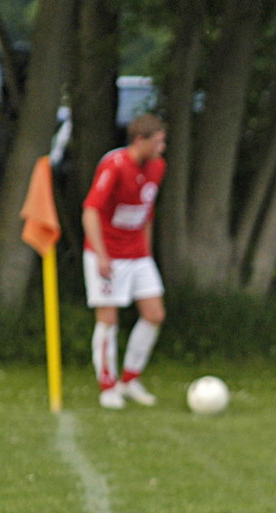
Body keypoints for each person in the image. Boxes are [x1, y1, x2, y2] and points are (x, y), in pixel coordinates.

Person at [82, 113, 167, 409]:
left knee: (154, 313)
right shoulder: (114, 165)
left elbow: (147, 212)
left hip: (137, 253)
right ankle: (108, 385)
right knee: (108, 320)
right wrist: (102, 255)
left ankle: (130, 379)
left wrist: (148, 252)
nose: (162, 146)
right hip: (107, 253)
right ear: (139, 140)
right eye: (158, 141)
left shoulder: (158, 167)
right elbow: (90, 210)